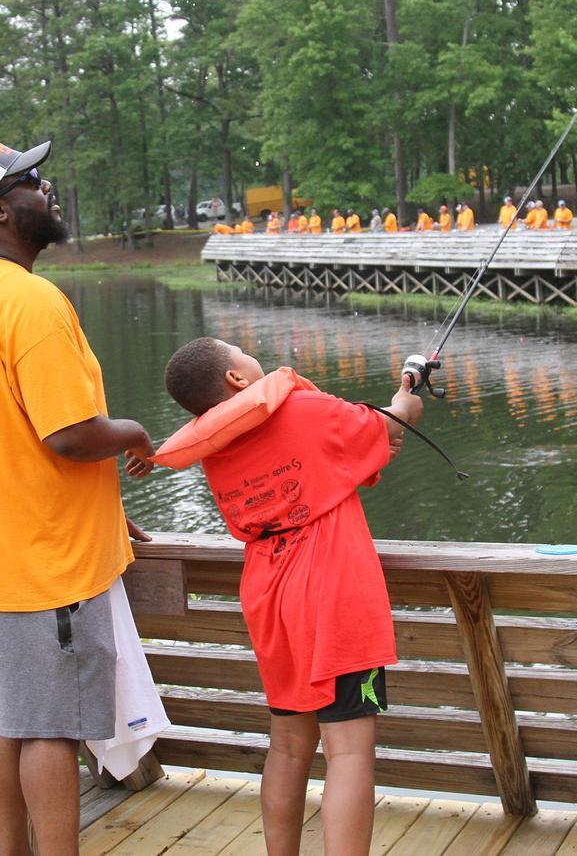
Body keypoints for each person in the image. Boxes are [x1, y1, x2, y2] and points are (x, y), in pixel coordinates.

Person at [0, 139, 154, 856]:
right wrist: (136, 433)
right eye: (29, 180)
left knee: (2, 713)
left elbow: (0, 435)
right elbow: (69, 433)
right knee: (49, 725)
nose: (46, 186)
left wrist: (105, 506)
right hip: (44, 560)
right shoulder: (31, 300)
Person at [153, 338, 422, 856]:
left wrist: (384, 432)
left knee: (289, 745)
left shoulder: (217, 444)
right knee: (348, 753)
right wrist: (407, 399)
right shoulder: (302, 407)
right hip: (331, 587)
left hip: (268, 592)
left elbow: (343, 459)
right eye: (238, 351)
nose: (250, 355)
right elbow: (389, 425)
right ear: (236, 379)